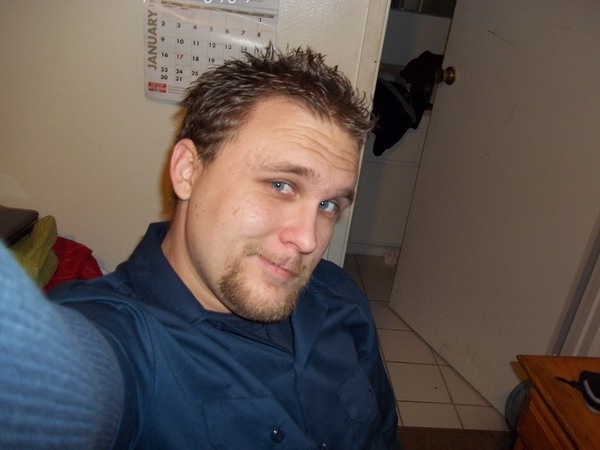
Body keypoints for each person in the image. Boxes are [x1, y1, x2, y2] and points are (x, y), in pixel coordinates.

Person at [0, 45, 400, 449]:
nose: (308, 239)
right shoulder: (118, 339)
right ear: (188, 171)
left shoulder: (339, 297)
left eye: (329, 205)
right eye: (281, 185)